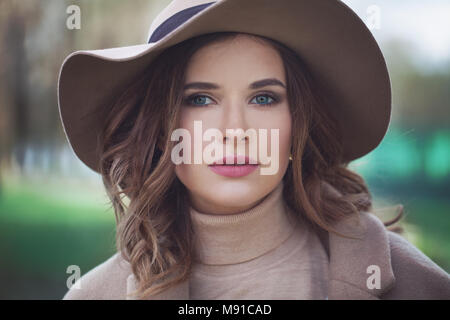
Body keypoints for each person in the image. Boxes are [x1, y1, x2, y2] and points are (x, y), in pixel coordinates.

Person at [58, 0, 450, 300]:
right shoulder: (94, 294)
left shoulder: (410, 281)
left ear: (298, 125)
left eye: (263, 98)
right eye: (200, 99)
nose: (234, 130)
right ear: (158, 129)